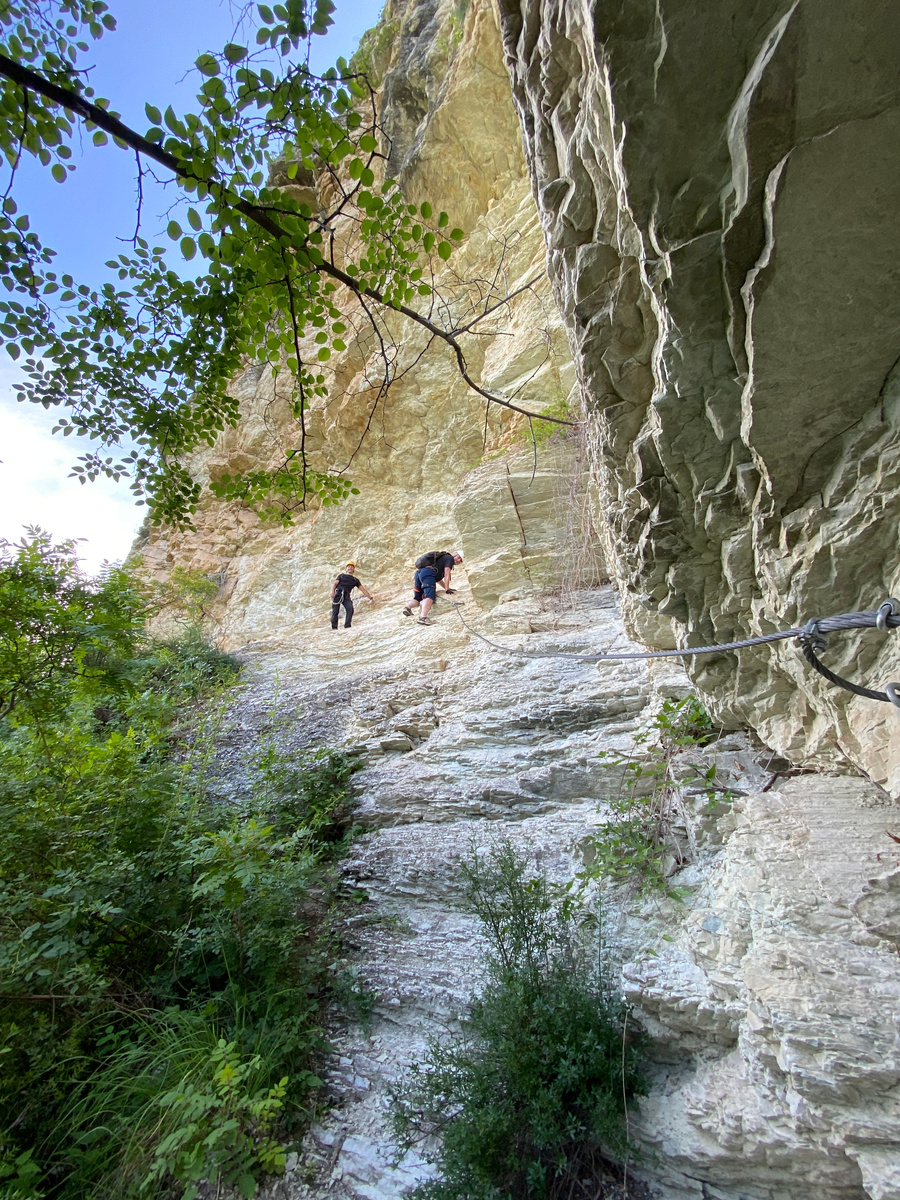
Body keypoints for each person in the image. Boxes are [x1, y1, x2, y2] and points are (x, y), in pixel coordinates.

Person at [403, 551, 463, 624]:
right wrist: (447, 590)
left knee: (418, 598)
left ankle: (407, 608)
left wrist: (446, 588)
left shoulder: (442, 559)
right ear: (455, 555)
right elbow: (447, 573)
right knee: (430, 596)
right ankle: (423, 618)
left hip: (419, 573)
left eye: (461, 560)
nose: (459, 560)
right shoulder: (449, 558)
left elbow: (439, 580)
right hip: (428, 573)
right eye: (459, 557)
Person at [331, 562, 374, 629]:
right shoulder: (341, 576)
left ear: (353, 569)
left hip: (346, 596)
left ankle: (347, 626)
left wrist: (370, 598)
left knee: (350, 609)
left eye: (351, 566)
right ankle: (334, 628)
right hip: (338, 594)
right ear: (346, 569)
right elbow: (335, 584)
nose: (350, 567)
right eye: (348, 566)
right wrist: (332, 592)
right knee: (335, 611)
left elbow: (363, 590)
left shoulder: (355, 580)